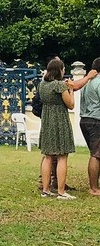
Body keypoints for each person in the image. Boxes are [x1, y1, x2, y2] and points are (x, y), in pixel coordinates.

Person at [38, 57, 75, 198]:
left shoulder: (42, 85)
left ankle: (45, 190)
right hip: (59, 119)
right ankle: (61, 191)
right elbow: (70, 104)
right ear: (60, 70)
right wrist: (70, 89)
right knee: (62, 156)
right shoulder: (59, 85)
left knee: (48, 156)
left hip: (47, 119)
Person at [72, 58, 100, 196]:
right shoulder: (99, 82)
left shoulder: (87, 82)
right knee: (96, 155)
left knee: (96, 153)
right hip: (97, 120)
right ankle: (94, 188)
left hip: (85, 120)